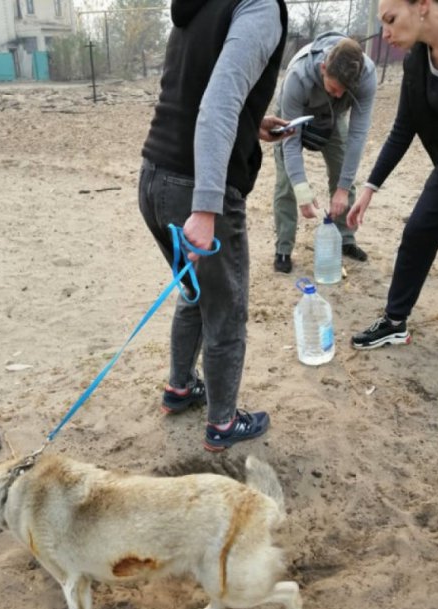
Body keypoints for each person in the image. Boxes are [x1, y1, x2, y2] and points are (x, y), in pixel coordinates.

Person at [139, 0, 288, 451]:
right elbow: (217, 103)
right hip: (199, 187)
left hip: (154, 177)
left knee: (194, 294)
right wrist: (207, 207)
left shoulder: (200, 6)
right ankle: (222, 423)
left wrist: (252, 124)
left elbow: (198, 93)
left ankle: (180, 388)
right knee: (225, 312)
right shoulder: (259, 6)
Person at [349, 0, 438, 349]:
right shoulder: (416, 62)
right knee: (419, 231)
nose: (386, 33)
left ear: (422, 5)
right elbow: (402, 130)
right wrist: (368, 189)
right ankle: (394, 321)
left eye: (391, 20)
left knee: (421, 226)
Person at [272, 32, 377, 274]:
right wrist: (302, 190)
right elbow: (290, 142)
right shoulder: (298, 77)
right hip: (296, 111)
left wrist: (342, 188)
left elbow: (358, 135)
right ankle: (284, 248)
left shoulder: (367, 76)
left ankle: (346, 239)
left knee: (343, 174)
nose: (339, 94)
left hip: (333, 115)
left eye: (344, 91)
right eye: (334, 87)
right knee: (287, 184)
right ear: (322, 68)